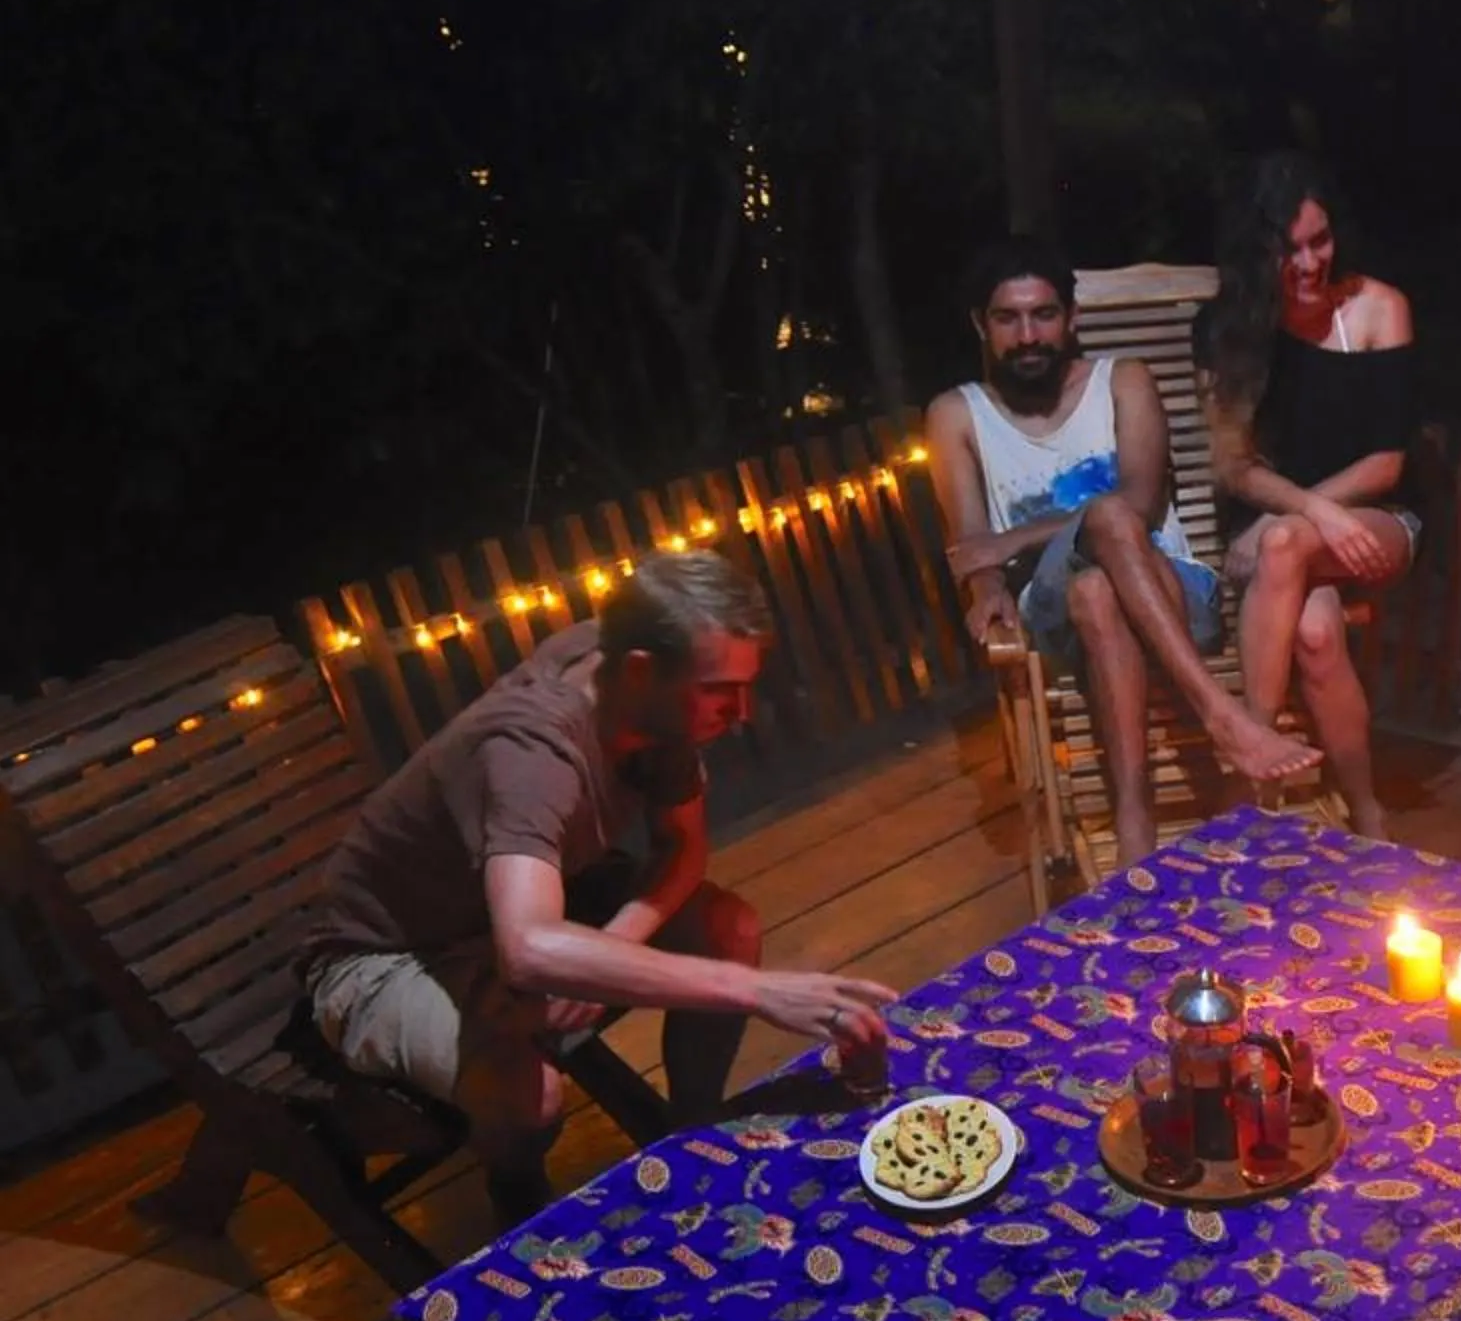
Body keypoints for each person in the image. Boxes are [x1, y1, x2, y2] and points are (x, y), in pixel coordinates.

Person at [300, 551, 903, 1224]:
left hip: (543, 895)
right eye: (720, 691)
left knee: (727, 928)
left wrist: (608, 947)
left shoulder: (640, 678)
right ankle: (520, 1204)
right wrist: (760, 992)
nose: (741, 711)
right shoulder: (533, 755)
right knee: (527, 1096)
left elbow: (683, 847)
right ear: (644, 670)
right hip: (390, 955)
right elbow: (529, 950)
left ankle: (692, 1131)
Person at [926, 237, 1322, 864]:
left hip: (1175, 590)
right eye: (1008, 318)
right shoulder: (957, 414)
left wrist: (1011, 541)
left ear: (1072, 318)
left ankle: (1132, 820)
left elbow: (1137, 503)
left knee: (1103, 563)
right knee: (1085, 577)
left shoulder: (1124, 380)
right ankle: (1222, 716)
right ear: (982, 324)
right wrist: (990, 586)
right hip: (1052, 613)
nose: (1029, 335)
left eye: (1044, 315)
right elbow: (970, 542)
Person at [1199, 151, 1419, 841]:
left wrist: (1301, 512)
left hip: (1378, 522)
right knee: (1318, 634)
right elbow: (1232, 466)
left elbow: (1386, 463)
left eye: (1317, 241)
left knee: (1284, 541)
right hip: (1288, 533)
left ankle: (1251, 769)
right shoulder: (1229, 328)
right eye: (1285, 248)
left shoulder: (1380, 309)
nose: (1306, 263)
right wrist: (1301, 514)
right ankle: (1369, 814)